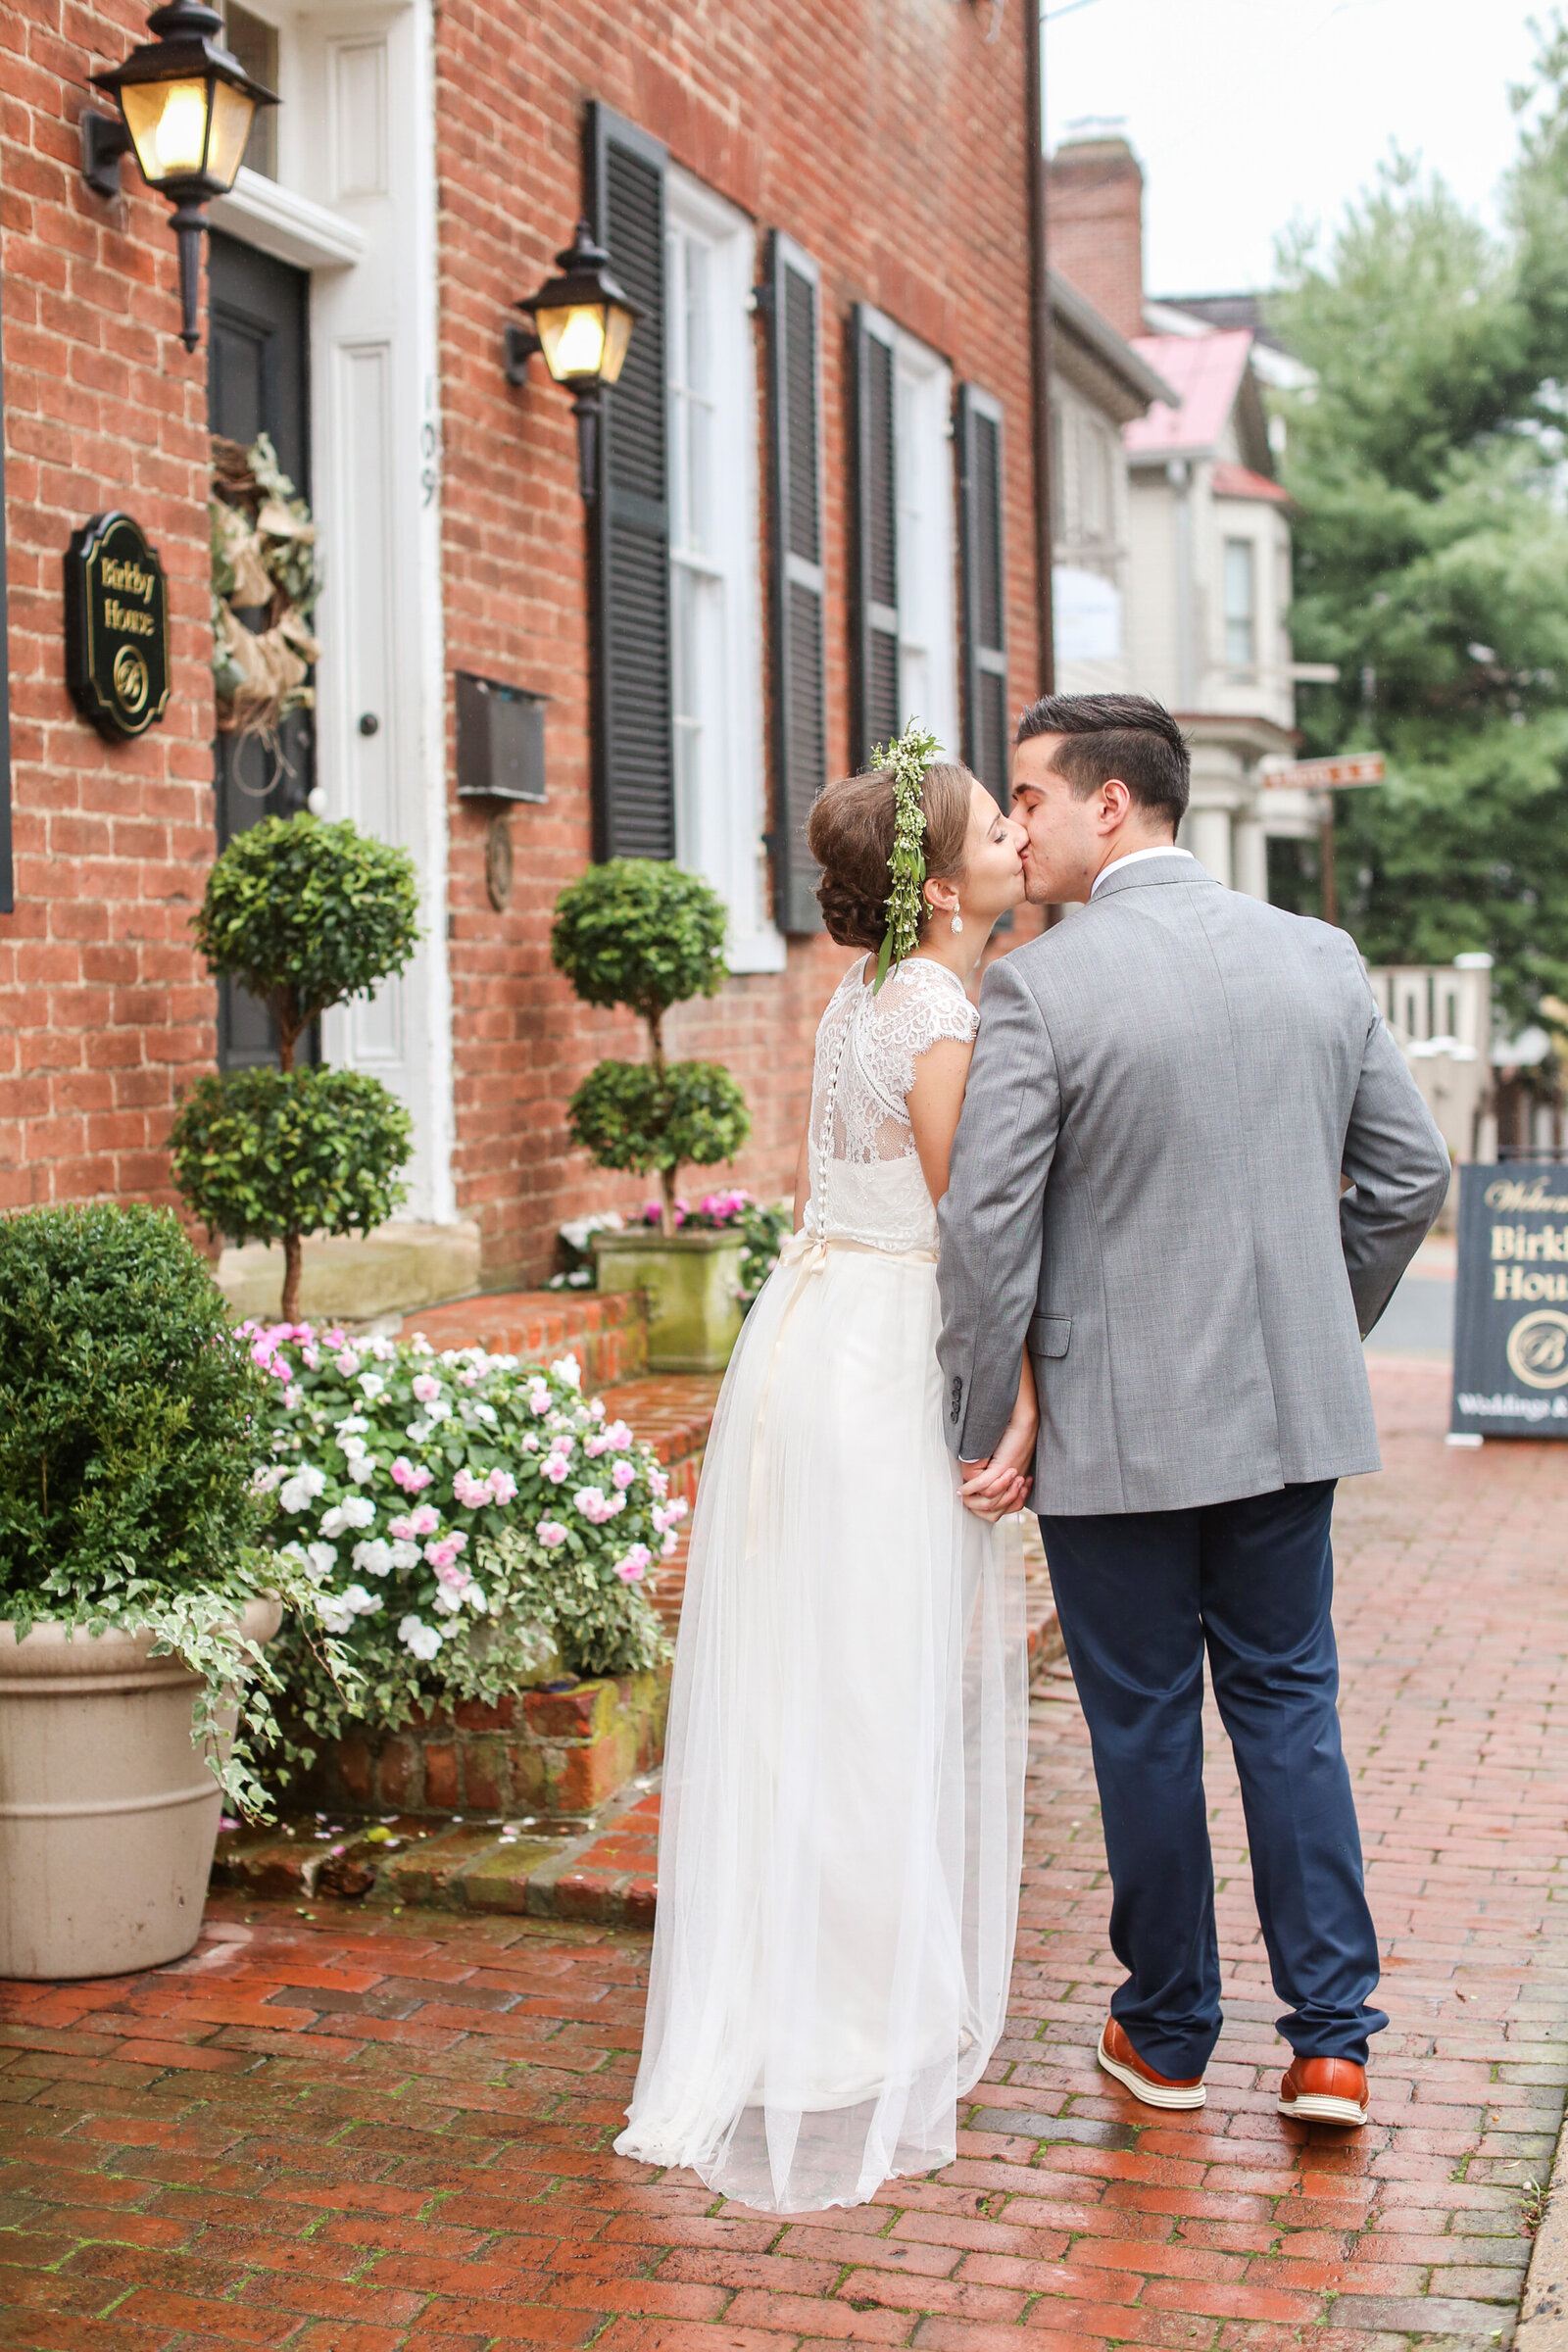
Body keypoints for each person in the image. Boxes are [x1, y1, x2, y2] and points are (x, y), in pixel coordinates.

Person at [939, 692, 1451, 2131]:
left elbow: (989, 1234)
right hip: (1289, 1416)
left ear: (1112, 804)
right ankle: (1334, 2046)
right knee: (1291, 1707)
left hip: (1115, 1428)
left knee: (1146, 1727)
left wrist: (987, 1419)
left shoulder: (1040, 986)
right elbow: (1410, 1180)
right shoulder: (1318, 956)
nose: (1016, 823)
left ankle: (1167, 2036)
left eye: (1031, 795)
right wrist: (1312, 1326)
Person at [615, 726, 1036, 2212]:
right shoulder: (933, 1006)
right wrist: (1020, 1390)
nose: (1014, 846)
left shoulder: (858, 991)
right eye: (995, 832)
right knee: (872, 1677)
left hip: (812, 1328)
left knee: (825, 1671)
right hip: (875, 1354)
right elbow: (969, 1219)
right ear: (933, 885)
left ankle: (810, 1970)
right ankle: (850, 2001)